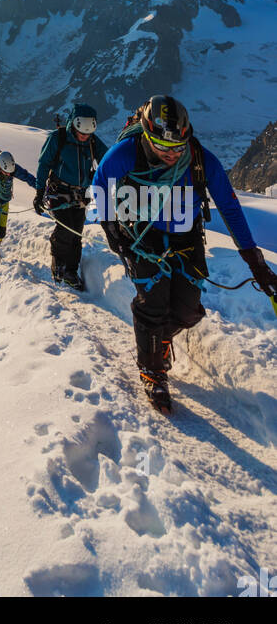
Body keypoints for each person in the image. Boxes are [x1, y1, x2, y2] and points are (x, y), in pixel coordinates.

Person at [91, 94, 277, 414]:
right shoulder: (127, 152)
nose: (171, 154)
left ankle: (158, 342)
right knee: (153, 303)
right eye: (163, 148)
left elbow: (230, 207)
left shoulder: (199, 159)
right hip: (140, 235)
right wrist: (113, 232)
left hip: (185, 238)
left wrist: (255, 261)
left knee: (189, 310)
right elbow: (100, 184)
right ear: (147, 136)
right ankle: (153, 370)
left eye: (177, 147)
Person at [34, 102, 107, 291]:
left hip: (81, 194)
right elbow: (44, 164)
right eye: (81, 133)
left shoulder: (92, 142)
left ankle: (71, 270)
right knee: (66, 229)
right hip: (59, 191)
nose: (84, 137)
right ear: (73, 125)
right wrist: (39, 192)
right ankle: (58, 262)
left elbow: (107, 160)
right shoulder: (58, 138)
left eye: (87, 133)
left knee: (76, 233)